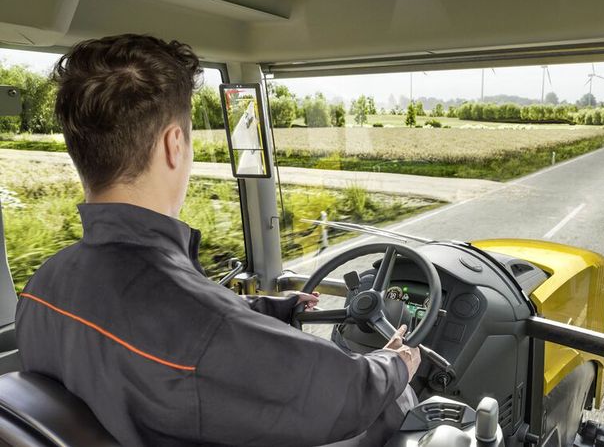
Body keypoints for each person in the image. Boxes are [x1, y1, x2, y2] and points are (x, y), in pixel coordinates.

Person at [15, 34, 420, 447]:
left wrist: (271, 309)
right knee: (401, 411)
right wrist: (395, 364)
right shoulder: (200, 326)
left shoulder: (41, 287)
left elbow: (179, 330)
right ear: (174, 145)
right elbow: (340, 394)